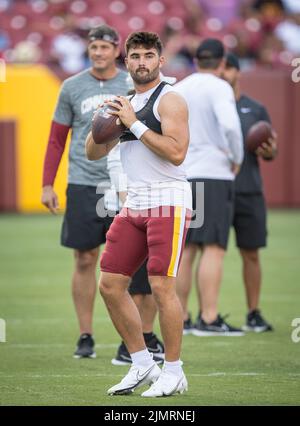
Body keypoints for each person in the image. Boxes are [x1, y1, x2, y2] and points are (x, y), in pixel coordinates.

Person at [41, 24, 164, 361]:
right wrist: (47, 183)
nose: (98, 53)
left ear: (116, 51)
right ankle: (86, 334)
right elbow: (57, 138)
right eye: (93, 47)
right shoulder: (72, 86)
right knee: (84, 258)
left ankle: (137, 339)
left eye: (104, 47)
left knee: (135, 265)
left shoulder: (131, 84)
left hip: (128, 182)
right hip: (84, 181)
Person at [86, 31, 192, 397]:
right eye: (135, 56)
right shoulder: (124, 102)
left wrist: (133, 122)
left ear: (160, 61)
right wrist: (103, 121)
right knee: (111, 284)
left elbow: (176, 153)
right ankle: (142, 362)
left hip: (168, 200)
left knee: (162, 285)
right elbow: (94, 153)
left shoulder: (171, 99)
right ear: (125, 62)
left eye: (149, 55)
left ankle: (174, 370)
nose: (142, 62)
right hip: (135, 202)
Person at [175, 38, 245, 336]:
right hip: (214, 173)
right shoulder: (219, 87)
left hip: (183, 174)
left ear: (195, 60)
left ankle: (181, 316)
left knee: (186, 249)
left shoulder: (180, 88)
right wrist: (237, 157)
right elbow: (230, 126)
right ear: (221, 62)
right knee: (214, 248)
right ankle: (209, 317)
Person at [223, 52, 277, 331]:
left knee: (251, 253)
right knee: (205, 251)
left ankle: (253, 312)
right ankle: (199, 315)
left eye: (230, 67)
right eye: (221, 67)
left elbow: (271, 149)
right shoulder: (207, 107)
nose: (225, 72)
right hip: (215, 189)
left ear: (238, 72)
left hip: (249, 189)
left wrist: (270, 150)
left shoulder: (255, 109)